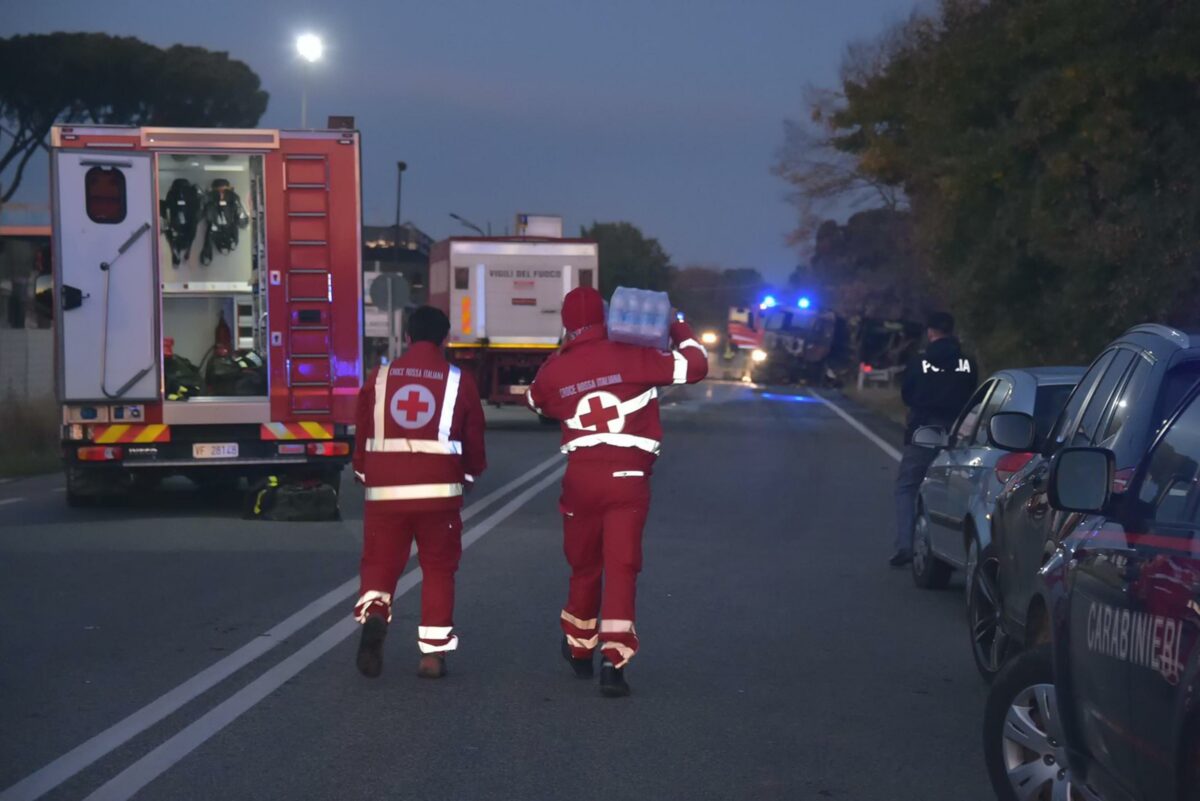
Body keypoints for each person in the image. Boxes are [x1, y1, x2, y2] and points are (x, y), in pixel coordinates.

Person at [526, 287, 708, 697]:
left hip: (581, 479)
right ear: (608, 318)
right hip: (629, 477)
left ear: (567, 324)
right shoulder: (635, 355)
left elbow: (536, 402)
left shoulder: (556, 368)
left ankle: (578, 646)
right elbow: (696, 366)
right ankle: (614, 659)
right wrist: (677, 322)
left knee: (584, 565)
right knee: (622, 568)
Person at [351, 306, 486, 679]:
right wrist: (471, 475)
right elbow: (473, 436)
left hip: (385, 492)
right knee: (439, 568)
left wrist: (363, 470)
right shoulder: (459, 380)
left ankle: (376, 613)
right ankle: (432, 655)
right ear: (445, 340)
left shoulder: (379, 377)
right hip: (439, 494)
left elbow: (363, 429)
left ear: (407, 337)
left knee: (380, 562)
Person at [891, 311, 977, 567]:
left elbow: (908, 393)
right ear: (951, 331)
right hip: (959, 434)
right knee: (954, 488)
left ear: (930, 332)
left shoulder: (921, 361)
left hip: (925, 431)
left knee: (908, 486)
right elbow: (973, 393)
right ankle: (952, 546)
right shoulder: (967, 363)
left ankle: (906, 544)